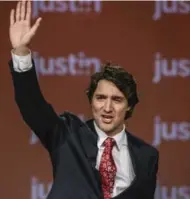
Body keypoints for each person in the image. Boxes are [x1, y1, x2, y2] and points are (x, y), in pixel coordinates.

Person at [9, 1, 159, 199]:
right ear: (91, 101)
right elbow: (32, 106)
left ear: (129, 106)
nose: (107, 107)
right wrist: (21, 53)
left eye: (116, 100)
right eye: (100, 98)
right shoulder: (67, 135)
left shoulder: (147, 156)